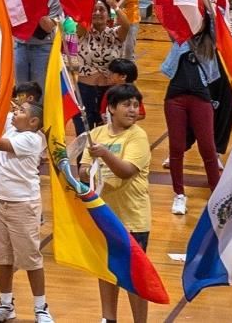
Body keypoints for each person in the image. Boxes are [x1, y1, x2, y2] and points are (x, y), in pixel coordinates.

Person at [80, 84, 152, 323]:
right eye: (126, 104)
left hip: (133, 219)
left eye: (135, 105)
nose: (132, 110)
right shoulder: (97, 134)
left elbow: (126, 171)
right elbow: (84, 169)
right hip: (105, 216)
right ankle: (107, 318)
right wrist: (85, 172)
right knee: (107, 271)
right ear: (111, 108)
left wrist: (105, 155)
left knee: (134, 276)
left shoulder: (137, 136)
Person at [0, 98, 53, 323]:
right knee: (2, 256)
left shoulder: (32, 139)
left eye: (21, 111)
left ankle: (41, 308)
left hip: (22, 205)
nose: (16, 113)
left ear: (33, 121)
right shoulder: (13, 127)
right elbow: (0, 107)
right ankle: (6, 304)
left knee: (31, 259)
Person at [160, 16, 222, 215]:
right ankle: (179, 194)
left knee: (207, 148)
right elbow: (167, 15)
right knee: (176, 147)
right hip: (175, 98)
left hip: (201, 98)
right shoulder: (179, 38)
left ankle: (217, 193)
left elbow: (216, 22)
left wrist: (206, 2)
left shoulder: (209, 42)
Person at [74, 0, 132, 127]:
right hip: (85, 90)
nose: (98, 13)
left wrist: (115, 6)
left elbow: (126, 25)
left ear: (108, 14)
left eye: (102, 10)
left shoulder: (115, 34)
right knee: (84, 132)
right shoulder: (83, 32)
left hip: (109, 90)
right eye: (94, 10)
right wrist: (88, 1)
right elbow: (81, 19)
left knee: (107, 131)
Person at [14, 0, 63, 84]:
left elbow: (48, 27)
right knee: (21, 90)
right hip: (20, 46)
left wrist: (34, 5)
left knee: (39, 90)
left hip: (42, 49)